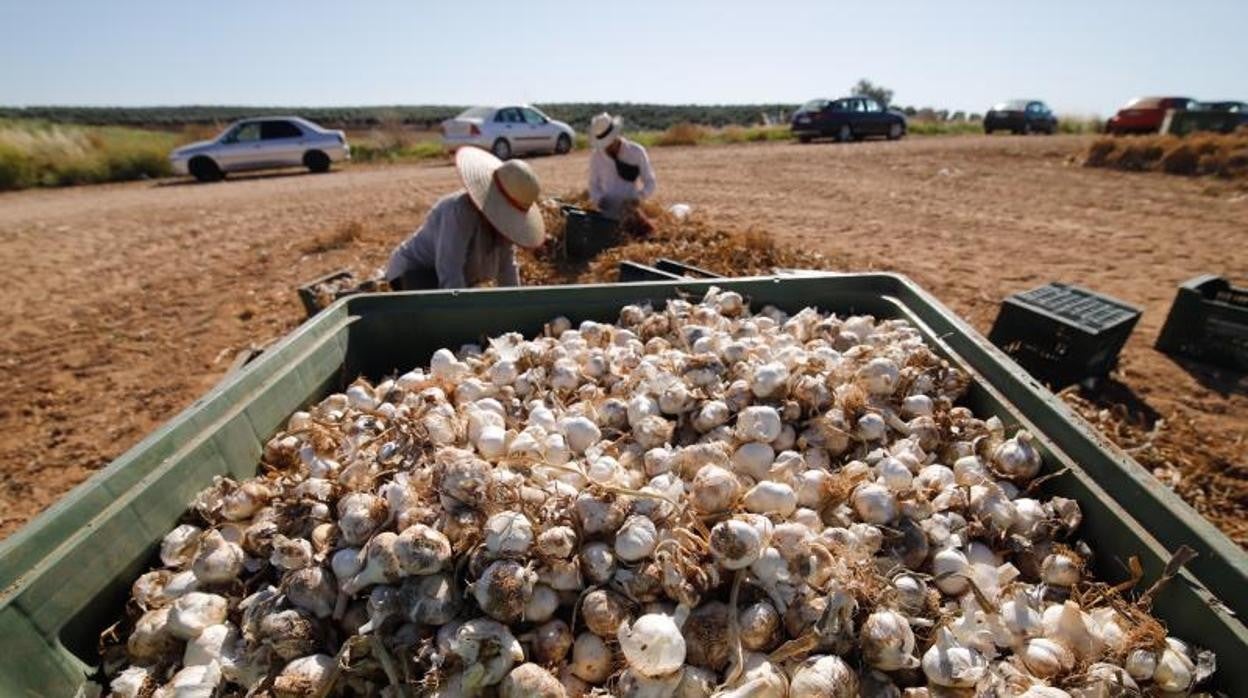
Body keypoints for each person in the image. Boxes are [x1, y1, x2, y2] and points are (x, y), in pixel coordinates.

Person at [385, 147, 545, 290]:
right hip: (414, 273)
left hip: (451, 279)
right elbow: (449, 270)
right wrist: (462, 314)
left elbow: (507, 266)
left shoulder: (504, 225)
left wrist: (515, 305)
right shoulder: (458, 210)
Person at [587, 112, 657, 231]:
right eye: (604, 144)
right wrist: (600, 199)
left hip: (631, 212)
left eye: (609, 143)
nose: (607, 147)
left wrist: (638, 198)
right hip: (607, 213)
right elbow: (593, 185)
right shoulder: (596, 157)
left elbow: (650, 182)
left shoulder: (636, 152)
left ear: (616, 135)